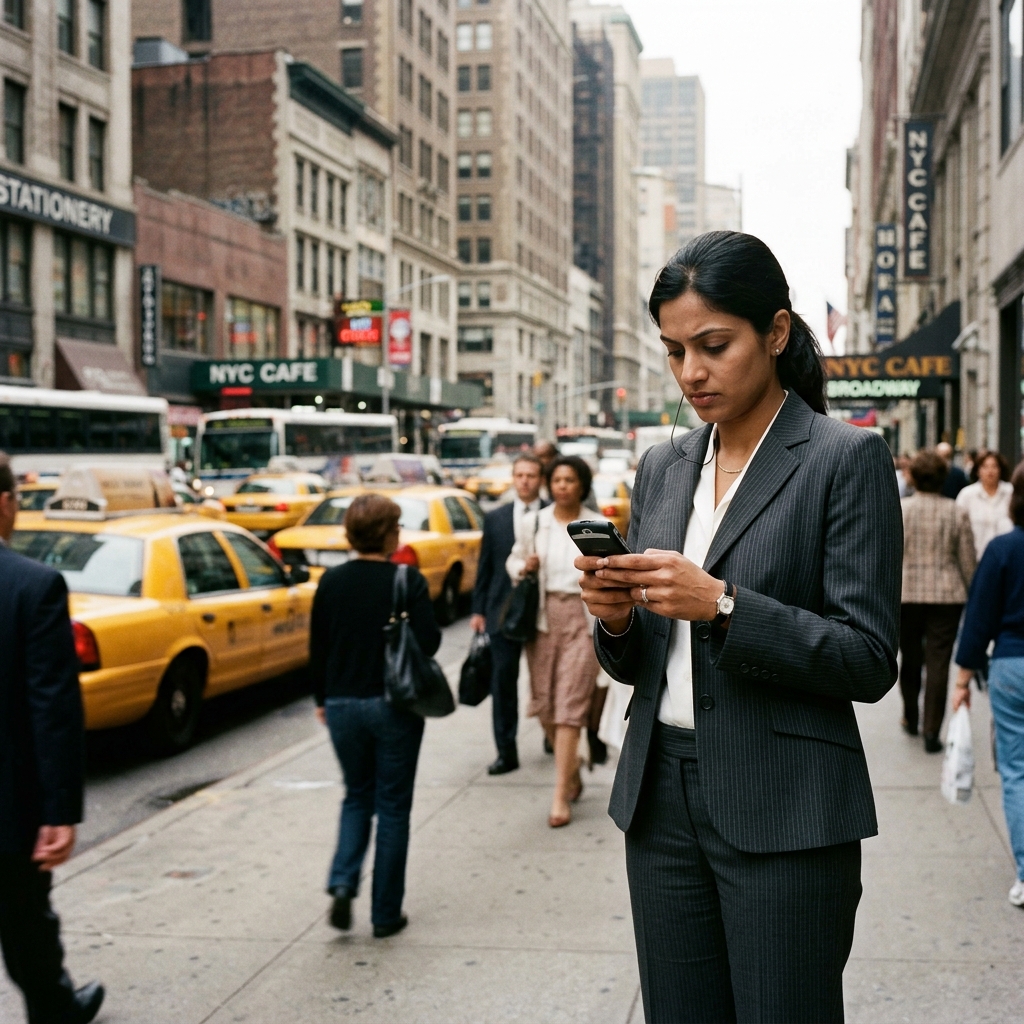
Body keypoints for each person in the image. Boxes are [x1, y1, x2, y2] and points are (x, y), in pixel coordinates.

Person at [576, 231, 902, 1023]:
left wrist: (723, 605)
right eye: (674, 349)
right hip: (660, 801)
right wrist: (618, 620)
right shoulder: (663, 465)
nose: (692, 372)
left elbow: (867, 659)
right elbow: (642, 662)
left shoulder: (844, 459)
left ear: (777, 333)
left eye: (714, 345)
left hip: (785, 804)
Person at [0, 452, 105, 1024]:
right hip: (9, 806)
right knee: (25, 924)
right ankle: (56, 1006)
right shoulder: (33, 586)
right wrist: (59, 810)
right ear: (5, 504)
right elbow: (52, 707)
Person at [310, 493, 441, 939]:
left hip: (343, 704)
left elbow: (318, 649)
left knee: (356, 796)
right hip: (393, 705)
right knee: (392, 808)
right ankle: (385, 914)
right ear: (387, 532)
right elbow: (429, 643)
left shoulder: (330, 581)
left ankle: (344, 879)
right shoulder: (406, 579)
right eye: (397, 526)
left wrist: (322, 701)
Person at [507, 454, 603, 828]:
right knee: (544, 704)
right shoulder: (534, 523)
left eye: (570, 480)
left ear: (581, 484)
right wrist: (523, 567)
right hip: (543, 620)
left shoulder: (595, 524)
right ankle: (573, 771)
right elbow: (512, 561)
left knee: (569, 705)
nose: (562, 486)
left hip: (582, 620)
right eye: (557, 480)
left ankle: (560, 794)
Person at [953, 460, 1024, 908]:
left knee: (1016, 771)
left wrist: (963, 678)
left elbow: (979, 620)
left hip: (1013, 665)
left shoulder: (1002, 550)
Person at [470, 454, 546, 775]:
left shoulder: (552, 515)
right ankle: (506, 750)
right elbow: (485, 565)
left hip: (542, 610)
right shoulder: (496, 518)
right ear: (513, 479)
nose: (525, 480)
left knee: (546, 679)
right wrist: (478, 609)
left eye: (531, 475)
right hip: (501, 611)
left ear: (540, 479)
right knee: (503, 683)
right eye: (519, 475)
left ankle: (552, 734)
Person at [899, 449, 976, 751]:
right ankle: (932, 731)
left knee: (910, 658)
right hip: (947, 594)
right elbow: (967, 560)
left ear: (914, 477)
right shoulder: (956, 511)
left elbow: (890, 555)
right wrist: (973, 595)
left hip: (907, 593)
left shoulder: (901, 509)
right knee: (939, 661)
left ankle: (910, 715)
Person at [956, 449, 1013, 558]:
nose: (990, 471)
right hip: (977, 558)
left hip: (1008, 558)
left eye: (994, 466)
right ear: (977, 470)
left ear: (1000, 469)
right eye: (985, 467)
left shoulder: (1010, 493)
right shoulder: (967, 495)